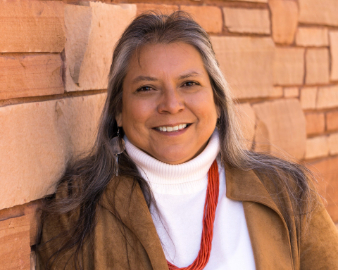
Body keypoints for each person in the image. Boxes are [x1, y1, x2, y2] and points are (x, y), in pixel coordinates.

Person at [36, 11, 338, 270]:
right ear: (118, 110)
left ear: (217, 100)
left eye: (189, 84)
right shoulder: (77, 209)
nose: (171, 104)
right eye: (146, 88)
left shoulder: (287, 191)